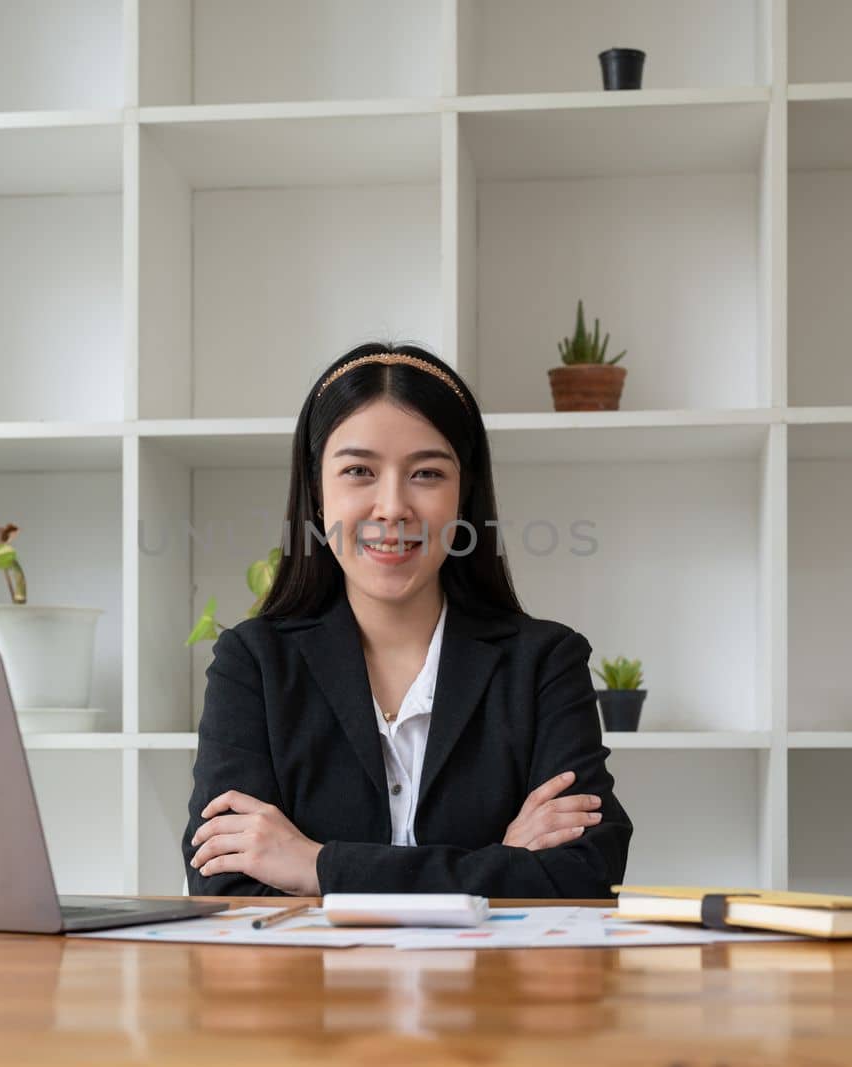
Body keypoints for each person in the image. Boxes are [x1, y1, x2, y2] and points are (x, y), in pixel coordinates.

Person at [181, 342, 632, 897]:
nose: (392, 506)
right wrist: (501, 864)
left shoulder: (544, 663)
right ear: (318, 494)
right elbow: (224, 879)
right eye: (358, 471)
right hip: (304, 986)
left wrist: (317, 866)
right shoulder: (253, 662)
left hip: (493, 984)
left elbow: (586, 871)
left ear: (463, 496)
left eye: (426, 473)